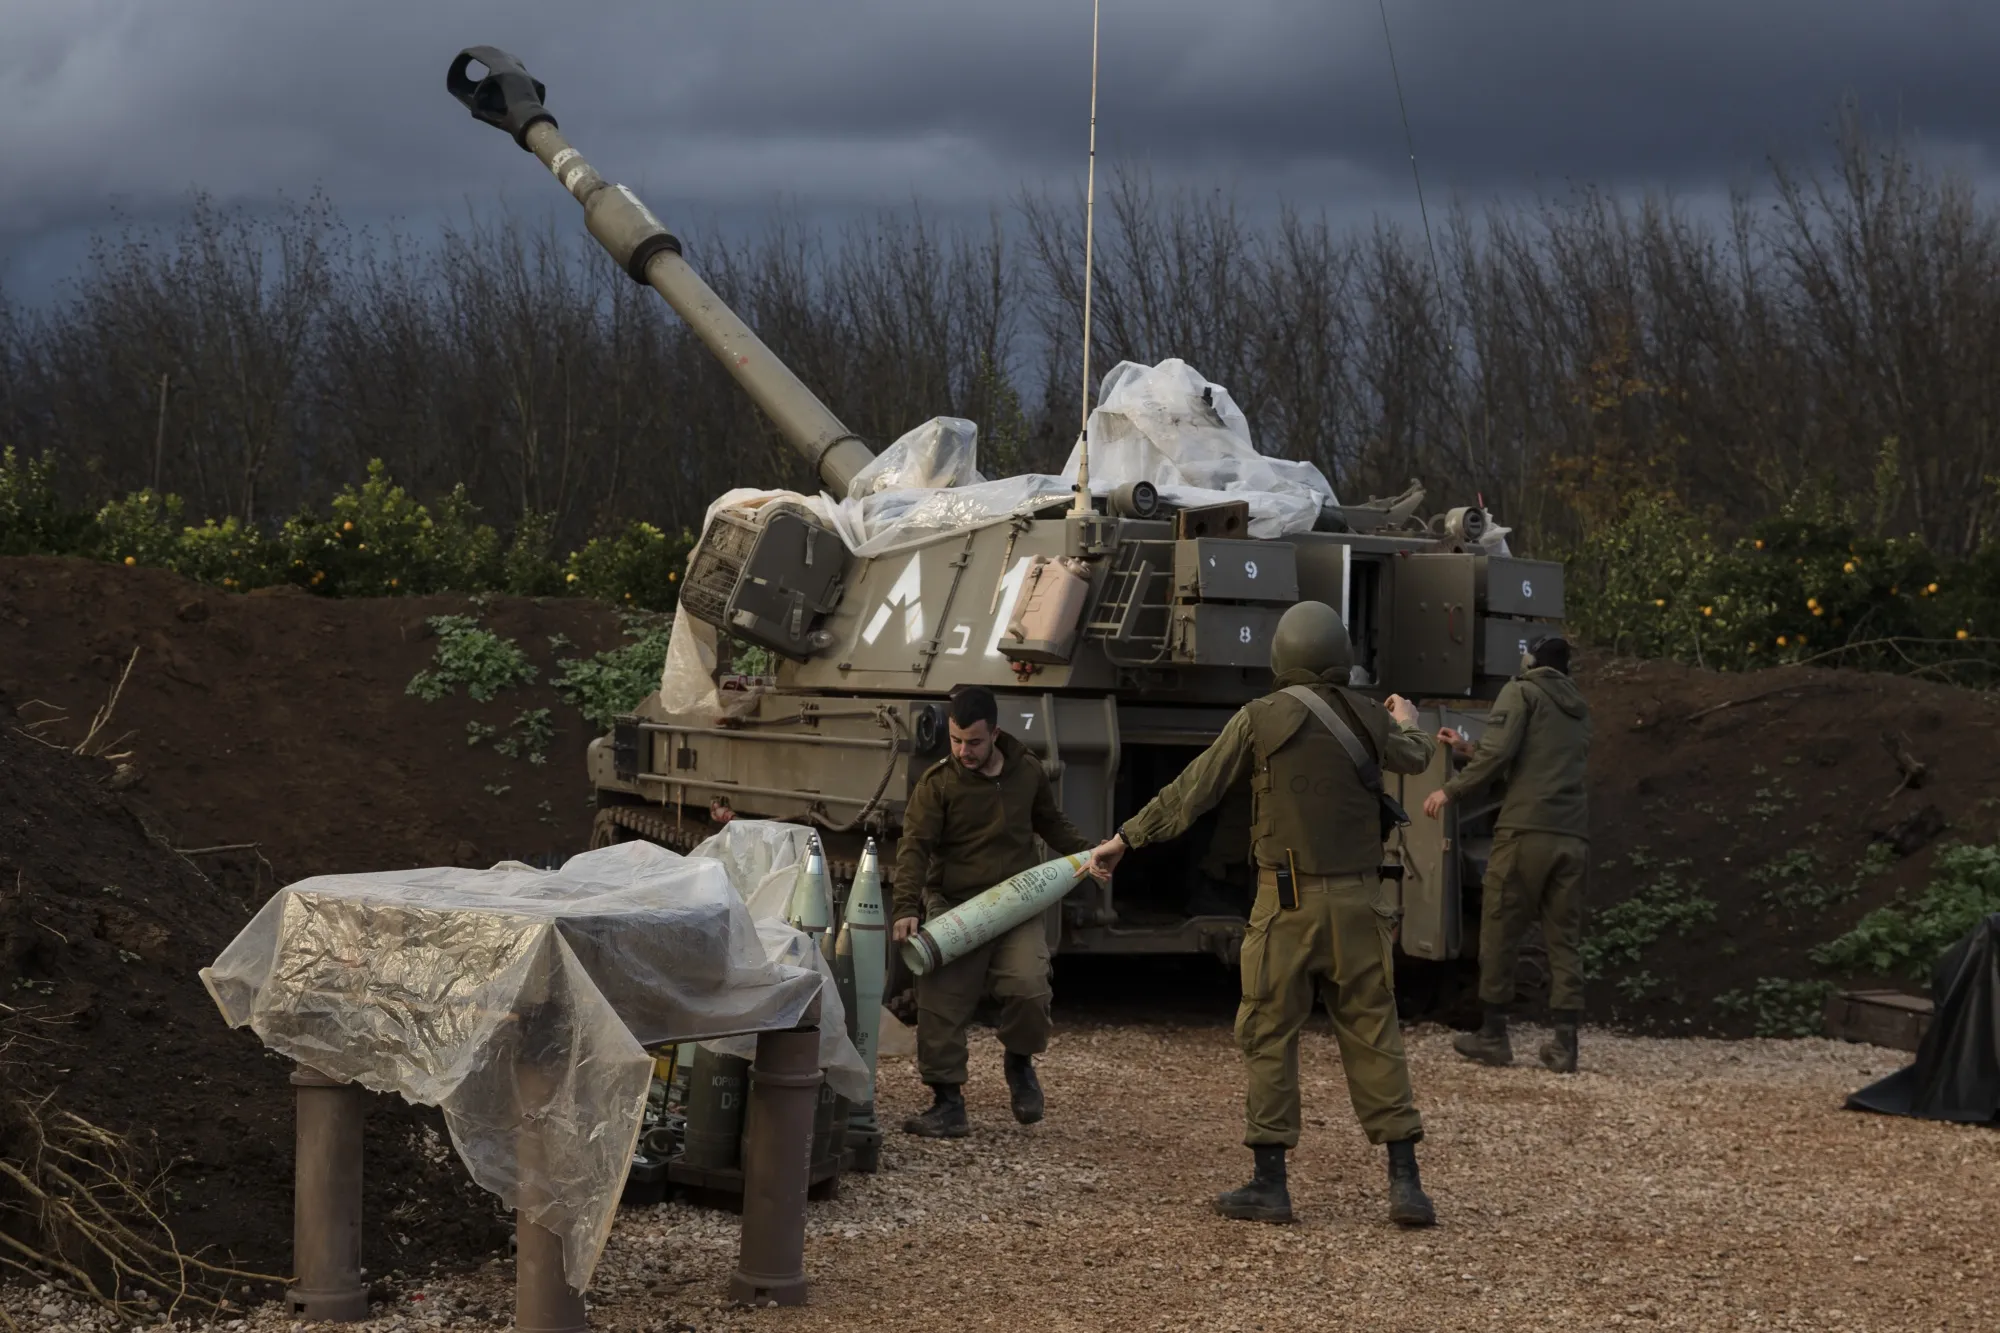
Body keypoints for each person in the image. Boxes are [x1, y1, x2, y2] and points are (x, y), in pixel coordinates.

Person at [1085, 601, 1438, 1228]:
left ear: (1282, 655)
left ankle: (1270, 1185)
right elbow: (1414, 756)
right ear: (1340, 655)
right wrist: (1409, 720)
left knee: (1269, 1032)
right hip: (1361, 904)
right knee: (1374, 1031)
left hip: (1287, 903)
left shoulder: (1258, 719)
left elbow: (1194, 791)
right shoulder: (1367, 715)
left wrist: (1127, 839)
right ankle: (1406, 1185)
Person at [893, 684, 1093, 1137]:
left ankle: (1019, 1063)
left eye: (975, 742)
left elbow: (1051, 823)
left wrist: (1091, 855)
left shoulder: (1027, 772)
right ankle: (947, 1104)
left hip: (1016, 904)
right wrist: (907, 906)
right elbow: (915, 848)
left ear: (995, 733)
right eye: (957, 740)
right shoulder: (937, 785)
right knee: (940, 1004)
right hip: (957, 907)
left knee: (1029, 989)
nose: (964, 750)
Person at [1424, 632, 1593, 1073]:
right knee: (1564, 939)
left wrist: (1450, 789)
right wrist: (1467, 749)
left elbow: (1500, 756)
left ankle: (1494, 1036)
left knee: (1499, 929)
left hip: (1524, 833)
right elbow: (1534, 757)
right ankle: (1565, 1045)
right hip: (1571, 836)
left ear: (1531, 661)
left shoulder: (1521, 692)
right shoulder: (1577, 705)